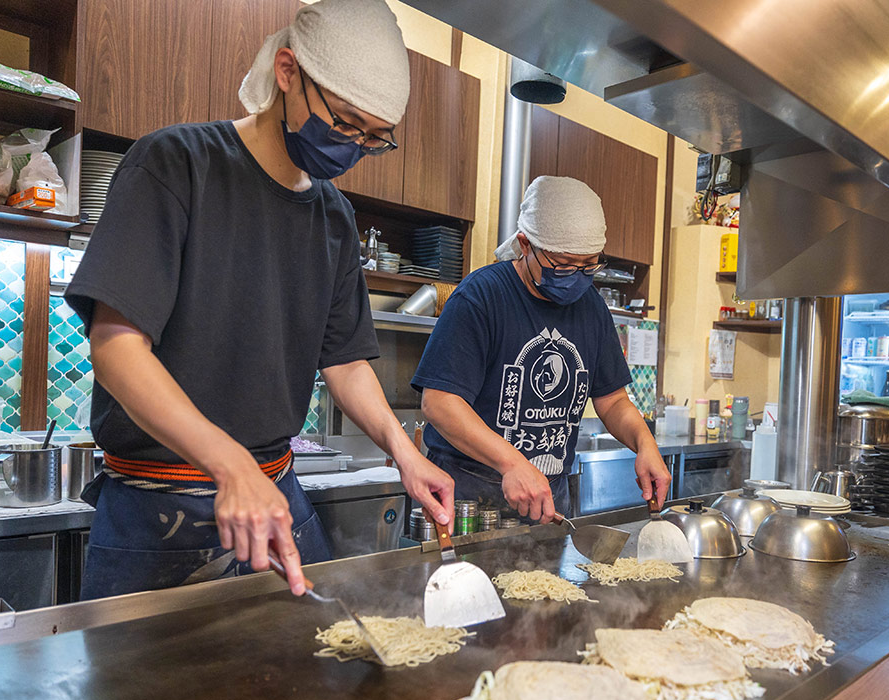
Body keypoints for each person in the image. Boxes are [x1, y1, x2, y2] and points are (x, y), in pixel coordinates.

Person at [64, 0, 452, 600]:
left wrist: (405, 451)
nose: (352, 147)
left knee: (310, 679)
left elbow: (345, 362)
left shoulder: (334, 217)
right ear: (288, 72)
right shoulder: (176, 164)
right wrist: (230, 462)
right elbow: (116, 347)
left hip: (275, 494)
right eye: (345, 123)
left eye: (374, 139)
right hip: (157, 506)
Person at [412, 176, 670, 523]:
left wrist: (645, 443)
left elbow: (613, 400)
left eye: (589, 265)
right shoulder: (482, 296)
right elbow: (439, 402)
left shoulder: (591, 307)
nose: (576, 276)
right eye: (563, 265)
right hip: (468, 499)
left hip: (551, 499)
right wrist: (512, 462)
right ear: (525, 244)